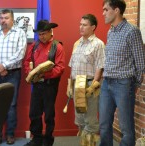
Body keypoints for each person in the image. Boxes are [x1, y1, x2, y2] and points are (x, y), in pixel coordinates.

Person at [100, 0, 145, 145]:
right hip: (107, 83)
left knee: (126, 128)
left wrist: (134, 84)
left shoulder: (132, 31)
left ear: (117, 10)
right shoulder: (110, 31)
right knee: (104, 124)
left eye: (106, 10)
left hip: (123, 84)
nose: (103, 13)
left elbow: (140, 62)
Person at [0, 9, 27, 145]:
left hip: (13, 73)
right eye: (1, 18)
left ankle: (10, 134)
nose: (3, 20)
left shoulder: (20, 33)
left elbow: (20, 53)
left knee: (11, 105)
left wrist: (4, 66)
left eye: (6, 18)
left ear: (12, 19)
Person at [23, 20, 65, 146]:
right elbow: (27, 62)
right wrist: (29, 71)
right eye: (40, 34)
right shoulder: (34, 46)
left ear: (50, 32)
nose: (42, 36)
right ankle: (36, 139)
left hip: (49, 85)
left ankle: (48, 139)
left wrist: (44, 74)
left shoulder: (57, 47)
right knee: (34, 113)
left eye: (45, 33)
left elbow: (60, 68)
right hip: (36, 85)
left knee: (49, 114)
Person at [68, 14, 105, 146]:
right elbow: (73, 66)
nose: (81, 27)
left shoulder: (98, 44)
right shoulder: (77, 43)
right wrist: (70, 86)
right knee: (81, 121)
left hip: (90, 85)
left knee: (90, 122)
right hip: (77, 85)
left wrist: (94, 86)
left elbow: (100, 67)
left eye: (84, 25)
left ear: (93, 27)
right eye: (80, 24)